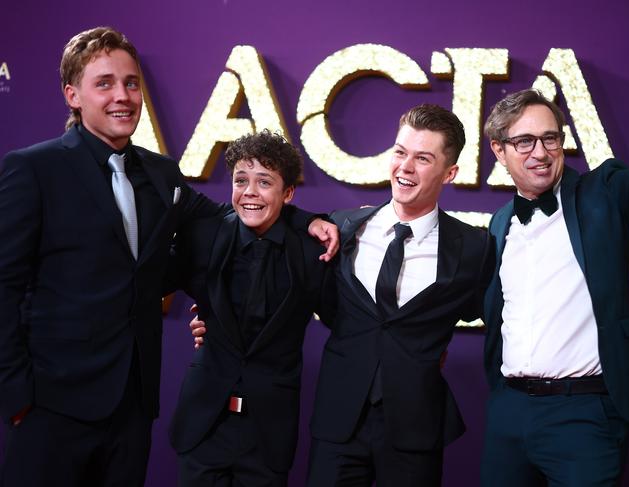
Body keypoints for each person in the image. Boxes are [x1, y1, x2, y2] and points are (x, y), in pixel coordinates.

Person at [0, 27, 337, 487]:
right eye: (105, 83)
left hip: (132, 410)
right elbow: (3, 286)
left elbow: (234, 213)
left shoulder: (160, 173)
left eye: (131, 82)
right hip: (51, 407)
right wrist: (15, 395)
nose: (123, 95)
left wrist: (305, 220)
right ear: (72, 95)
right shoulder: (33, 169)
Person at [306, 104, 495, 487]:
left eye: (422, 158)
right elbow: (293, 288)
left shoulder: (474, 248)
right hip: (339, 418)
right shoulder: (342, 226)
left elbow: (503, 312)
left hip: (415, 428)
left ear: (450, 172)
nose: (405, 167)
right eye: (399, 152)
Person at [480, 87, 629, 486]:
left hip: (584, 415)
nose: (540, 152)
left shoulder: (605, 193)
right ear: (499, 150)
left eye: (550, 138)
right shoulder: (500, 223)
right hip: (509, 411)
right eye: (524, 141)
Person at [168, 130, 335, 487]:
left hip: (268, 433)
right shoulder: (206, 235)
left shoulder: (311, 251)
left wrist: (307, 219)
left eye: (264, 182)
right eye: (241, 180)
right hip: (203, 423)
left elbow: (345, 317)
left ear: (288, 193)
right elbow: (148, 278)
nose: (250, 193)